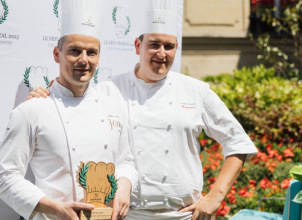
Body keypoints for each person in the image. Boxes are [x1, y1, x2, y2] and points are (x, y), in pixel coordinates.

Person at [27, 1, 258, 220]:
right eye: (154, 45)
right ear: (138, 46)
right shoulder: (108, 90)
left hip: (184, 214)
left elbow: (238, 142)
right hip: (126, 215)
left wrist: (214, 197)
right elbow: (70, 105)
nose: (161, 53)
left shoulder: (196, 91)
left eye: (169, 46)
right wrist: (46, 95)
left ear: (176, 49)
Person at [0, 1, 138, 220]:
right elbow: (5, 177)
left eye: (91, 52)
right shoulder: (32, 110)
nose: (84, 60)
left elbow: (125, 162)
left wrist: (125, 187)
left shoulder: (114, 107)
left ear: (98, 58)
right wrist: (55, 208)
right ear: (56, 54)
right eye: (74, 51)